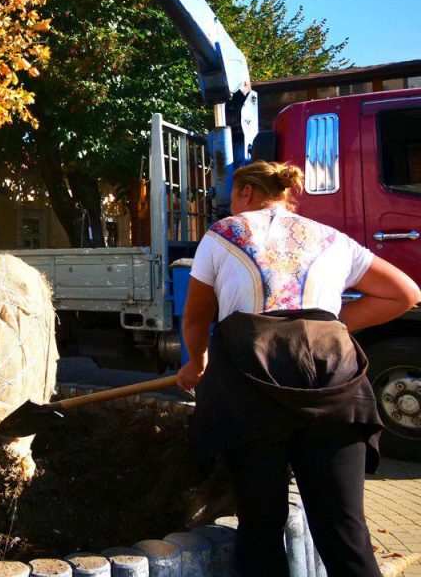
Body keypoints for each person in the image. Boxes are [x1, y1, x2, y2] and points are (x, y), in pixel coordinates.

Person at [178, 160, 421, 577]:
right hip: (333, 387)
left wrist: (196, 363)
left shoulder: (224, 233)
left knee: (261, 527)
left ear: (247, 193)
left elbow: (197, 317)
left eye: (233, 197)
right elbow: (405, 293)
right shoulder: (332, 238)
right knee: (345, 530)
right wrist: (332, 325)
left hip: (251, 390)